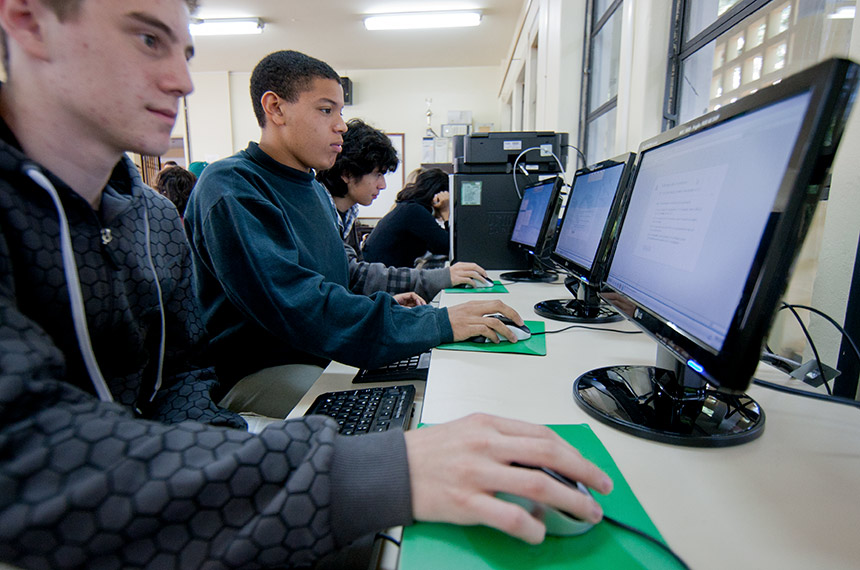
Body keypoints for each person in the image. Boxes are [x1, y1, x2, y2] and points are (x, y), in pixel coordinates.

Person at [0, 6, 613, 565]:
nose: (184, 82)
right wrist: (343, 465)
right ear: (27, 22)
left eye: (185, 54)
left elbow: (185, 374)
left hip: (193, 441)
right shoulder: (231, 189)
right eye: (146, 38)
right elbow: (25, 455)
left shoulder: (153, 218)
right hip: (236, 394)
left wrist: (227, 447)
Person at [185, 50, 527, 418]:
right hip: (258, 370)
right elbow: (298, 303)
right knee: (400, 414)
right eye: (326, 109)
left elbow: (340, 275)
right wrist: (437, 322)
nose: (341, 125)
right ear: (276, 108)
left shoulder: (313, 189)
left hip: (316, 348)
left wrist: (389, 311)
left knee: (443, 383)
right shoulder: (232, 186)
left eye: (341, 112)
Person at [316, 117, 492, 300]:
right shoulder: (320, 213)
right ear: (347, 173)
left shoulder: (347, 214)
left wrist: (386, 303)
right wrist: (444, 276)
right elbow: (355, 276)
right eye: (378, 174)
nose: (382, 185)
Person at [363, 167, 452, 268]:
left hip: (381, 272)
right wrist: (446, 213)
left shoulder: (408, 207)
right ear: (437, 197)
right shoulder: (414, 211)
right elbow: (447, 247)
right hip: (384, 277)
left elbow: (435, 246)